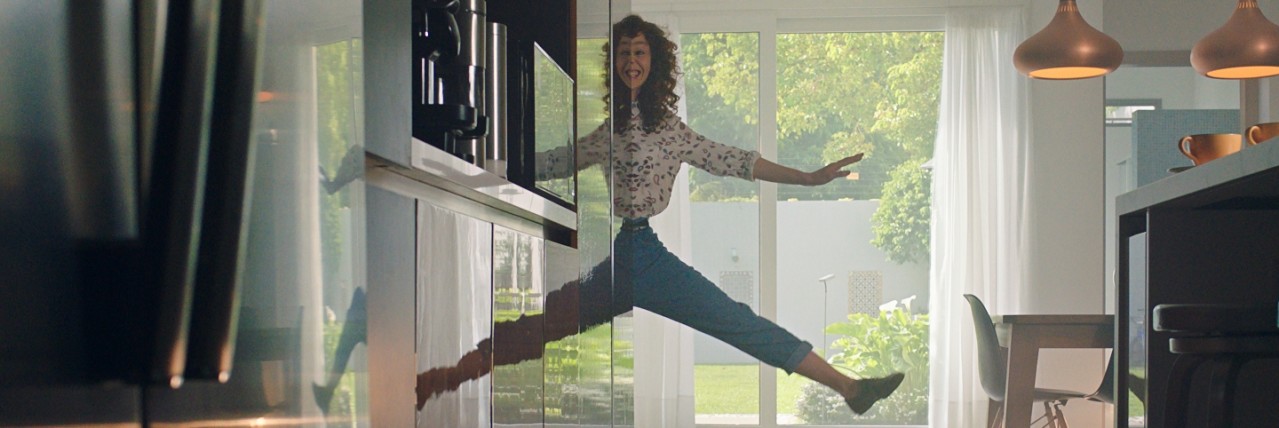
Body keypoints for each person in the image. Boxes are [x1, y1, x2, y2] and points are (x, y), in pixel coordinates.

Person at [417, 14, 904, 416]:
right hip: (620, 260)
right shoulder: (611, 129)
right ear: (617, 63)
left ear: (656, 63)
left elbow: (733, 159)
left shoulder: (669, 130)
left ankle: (849, 389)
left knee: (738, 324)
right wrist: (485, 160)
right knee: (538, 328)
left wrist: (807, 178)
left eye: (641, 52)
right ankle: (445, 378)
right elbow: (560, 161)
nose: (632, 60)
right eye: (625, 53)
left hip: (647, 258)